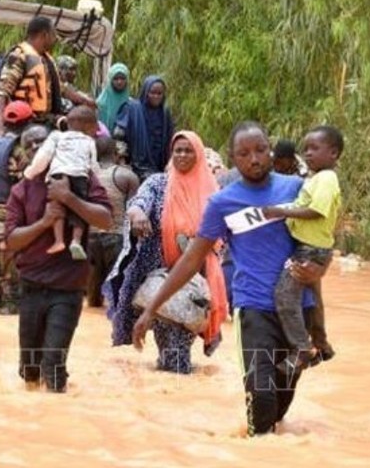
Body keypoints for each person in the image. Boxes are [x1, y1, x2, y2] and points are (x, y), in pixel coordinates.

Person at [132, 121, 328, 436]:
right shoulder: (223, 203)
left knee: (282, 396)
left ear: (271, 150)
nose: (254, 159)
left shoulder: (295, 189)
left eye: (261, 150)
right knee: (260, 395)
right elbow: (192, 258)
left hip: (297, 307)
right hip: (254, 310)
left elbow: (321, 237)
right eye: (244, 153)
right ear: (233, 159)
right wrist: (151, 309)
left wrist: (320, 269)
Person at [105, 131, 228, 374]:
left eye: (188, 150)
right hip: (161, 277)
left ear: (199, 154)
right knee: (173, 344)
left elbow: (223, 236)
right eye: (178, 150)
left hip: (199, 279)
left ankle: (173, 384)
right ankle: (174, 389)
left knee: (182, 339)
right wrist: (138, 213)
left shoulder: (212, 192)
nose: (182, 155)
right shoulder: (158, 184)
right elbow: (139, 201)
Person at [4, 150, 113, 393]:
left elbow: (106, 220)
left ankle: (57, 413)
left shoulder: (81, 180)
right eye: (30, 145)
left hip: (67, 288)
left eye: (41, 145)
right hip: (31, 286)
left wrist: (68, 198)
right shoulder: (22, 189)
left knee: (53, 364)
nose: (36, 150)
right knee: (29, 369)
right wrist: (44, 222)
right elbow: (11, 240)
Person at [262, 126, 343, 372]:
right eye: (305, 148)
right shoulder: (317, 178)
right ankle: (322, 344)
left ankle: (301, 349)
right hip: (313, 247)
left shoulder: (327, 179)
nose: (308, 153)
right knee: (314, 298)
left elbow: (315, 211)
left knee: (285, 296)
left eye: (315, 148)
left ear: (334, 153)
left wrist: (280, 211)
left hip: (309, 250)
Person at [0, 108, 48, 315]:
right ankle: (10, 306)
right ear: (27, 123)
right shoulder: (19, 150)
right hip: (8, 214)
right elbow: (25, 183)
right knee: (11, 265)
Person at [23, 106, 99, 260]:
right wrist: (95, 182)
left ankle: (59, 241)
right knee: (79, 209)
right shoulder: (89, 141)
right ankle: (76, 241)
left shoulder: (56, 136)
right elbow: (93, 165)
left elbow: (43, 157)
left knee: (57, 207)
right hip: (80, 176)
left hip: (58, 175)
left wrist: (30, 172)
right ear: (89, 127)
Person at [86, 136, 139, 306]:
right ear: (116, 153)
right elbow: (134, 209)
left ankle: (94, 302)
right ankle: (116, 306)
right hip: (116, 234)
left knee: (93, 277)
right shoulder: (126, 176)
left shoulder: (86, 174)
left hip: (90, 234)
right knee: (117, 279)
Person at [0, 17, 64, 133]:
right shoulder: (19, 56)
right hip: (23, 125)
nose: (56, 38)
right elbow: (2, 93)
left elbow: (60, 88)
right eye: (54, 34)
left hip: (45, 124)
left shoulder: (46, 59)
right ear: (45, 35)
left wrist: (83, 100)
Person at [114, 75, 174, 181]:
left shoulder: (165, 113)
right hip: (135, 165)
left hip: (160, 165)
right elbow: (119, 136)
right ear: (145, 92)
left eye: (159, 93)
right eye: (152, 93)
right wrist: (122, 162)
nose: (156, 97)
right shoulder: (132, 108)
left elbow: (171, 138)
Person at [95, 63, 131, 133]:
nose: (119, 82)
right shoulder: (100, 103)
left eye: (122, 78)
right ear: (110, 80)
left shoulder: (131, 104)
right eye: (116, 79)